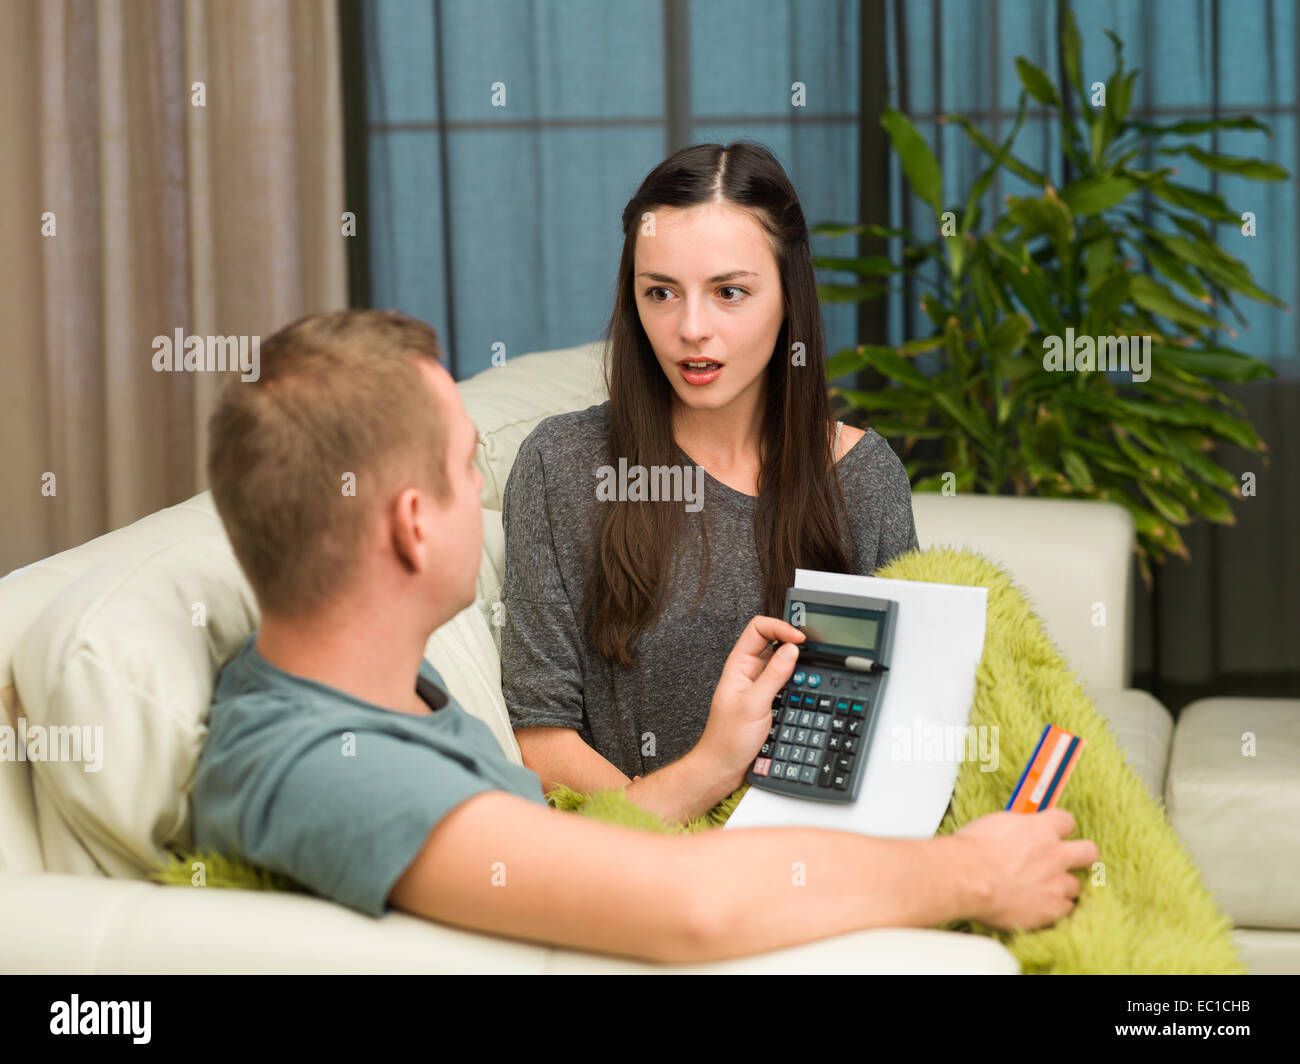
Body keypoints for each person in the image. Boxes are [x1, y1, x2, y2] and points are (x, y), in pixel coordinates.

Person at [190, 309, 1097, 965]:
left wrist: (709, 761)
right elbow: (695, 909)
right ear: (414, 526)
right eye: (468, 466)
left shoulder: (359, 688)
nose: (485, 489)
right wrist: (974, 873)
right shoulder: (337, 772)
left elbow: (565, 843)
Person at [503, 141, 916, 822]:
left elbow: (898, 725)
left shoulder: (864, 478)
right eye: (660, 293)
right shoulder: (563, 467)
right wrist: (690, 833)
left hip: (823, 857)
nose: (692, 329)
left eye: (730, 293)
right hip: (646, 861)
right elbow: (540, 739)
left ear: (789, 296)